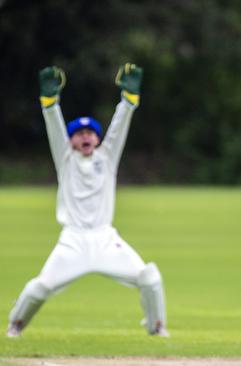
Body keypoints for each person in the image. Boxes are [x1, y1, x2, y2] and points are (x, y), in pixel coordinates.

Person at [6, 63, 169, 338]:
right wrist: (49, 103)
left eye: (90, 133)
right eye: (79, 134)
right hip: (72, 241)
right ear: (71, 141)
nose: (85, 137)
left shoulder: (106, 158)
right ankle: (15, 326)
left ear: (97, 138)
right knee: (41, 287)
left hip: (106, 238)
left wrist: (128, 101)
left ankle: (156, 328)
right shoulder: (66, 159)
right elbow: (55, 130)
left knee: (149, 277)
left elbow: (118, 130)